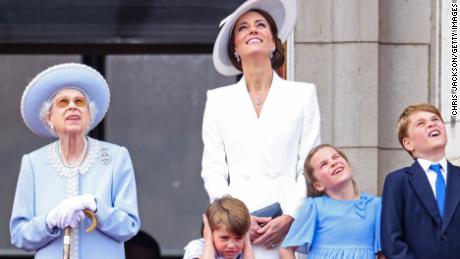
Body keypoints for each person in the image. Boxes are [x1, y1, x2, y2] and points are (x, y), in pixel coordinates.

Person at [201, 0, 321, 257]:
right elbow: (213, 170)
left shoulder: (302, 94)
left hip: (290, 223)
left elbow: (309, 166)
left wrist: (291, 215)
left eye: (260, 25)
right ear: (235, 47)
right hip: (239, 225)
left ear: (273, 41)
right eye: (243, 28)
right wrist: (234, 217)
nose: (252, 30)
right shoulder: (218, 100)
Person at [10, 63, 140, 259]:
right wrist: (49, 221)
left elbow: (129, 227)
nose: (72, 106)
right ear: (49, 118)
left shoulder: (116, 157)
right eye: (63, 102)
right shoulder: (33, 163)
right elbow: (20, 236)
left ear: (89, 116)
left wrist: (95, 206)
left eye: (80, 102)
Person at [381, 103, 460, 259]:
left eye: (435, 119)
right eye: (421, 123)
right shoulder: (398, 182)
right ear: (408, 143)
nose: (431, 123)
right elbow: (392, 240)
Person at [280, 144, 383, 259]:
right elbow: (286, 250)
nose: (333, 163)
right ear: (318, 185)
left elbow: (382, 253)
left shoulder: (376, 205)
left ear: (349, 165)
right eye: (324, 164)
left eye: (336, 157)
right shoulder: (315, 207)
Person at [183, 196, 254, 259]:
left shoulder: (245, 251)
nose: (231, 245)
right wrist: (208, 240)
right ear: (210, 231)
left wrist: (247, 240)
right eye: (224, 238)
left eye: (238, 238)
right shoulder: (197, 247)